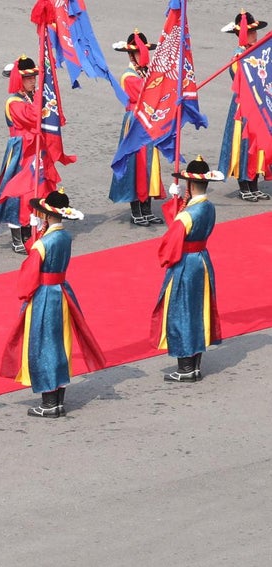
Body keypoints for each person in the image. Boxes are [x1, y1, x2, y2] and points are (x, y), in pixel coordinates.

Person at [0, 190, 105, 418]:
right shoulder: (64, 237)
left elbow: (30, 271)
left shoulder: (43, 243)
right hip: (62, 293)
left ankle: (48, 402)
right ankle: (58, 400)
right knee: (59, 344)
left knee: (43, 346)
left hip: (44, 295)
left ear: (47, 215)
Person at [0, 55, 67, 255]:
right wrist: (43, 95)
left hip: (37, 148)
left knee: (39, 187)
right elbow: (33, 117)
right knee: (18, 192)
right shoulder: (14, 102)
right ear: (19, 80)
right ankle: (17, 237)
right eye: (29, 78)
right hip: (22, 150)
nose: (33, 81)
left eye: (34, 77)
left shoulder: (30, 97)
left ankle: (33, 230)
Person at [152, 156, 224, 382]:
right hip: (202, 261)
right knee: (198, 311)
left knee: (180, 313)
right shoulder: (208, 207)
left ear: (190, 185)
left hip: (185, 264)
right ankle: (195, 365)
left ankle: (185, 368)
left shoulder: (186, 215)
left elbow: (170, 243)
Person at [109, 30, 165, 225]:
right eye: (141, 52)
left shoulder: (145, 72)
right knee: (136, 166)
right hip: (135, 121)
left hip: (148, 121)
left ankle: (147, 208)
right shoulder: (128, 76)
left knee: (149, 164)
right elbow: (147, 94)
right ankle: (136, 210)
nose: (145, 56)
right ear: (132, 54)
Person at [218, 11, 270, 202]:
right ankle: (244, 184)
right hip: (244, 105)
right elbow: (239, 80)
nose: (255, 35)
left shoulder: (257, 52)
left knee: (256, 145)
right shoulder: (239, 56)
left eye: (255, 31)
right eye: (251, 31)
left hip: (258, 104)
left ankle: (254, 183)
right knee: (243, 144)